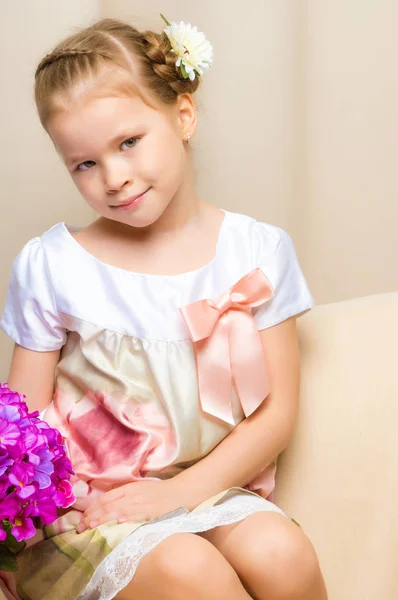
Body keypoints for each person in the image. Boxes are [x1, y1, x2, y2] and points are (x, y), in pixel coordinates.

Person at [0, 14, 328, 600]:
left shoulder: (256, 250)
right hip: (92, 504)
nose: (115, 177)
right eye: (85, 163)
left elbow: (275, 415)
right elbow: (19, 424)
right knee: (189, 571)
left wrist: (180, 493)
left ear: (182, 115)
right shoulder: (53, 263)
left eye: (129, 143)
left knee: (282, 552)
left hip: (210, 487)